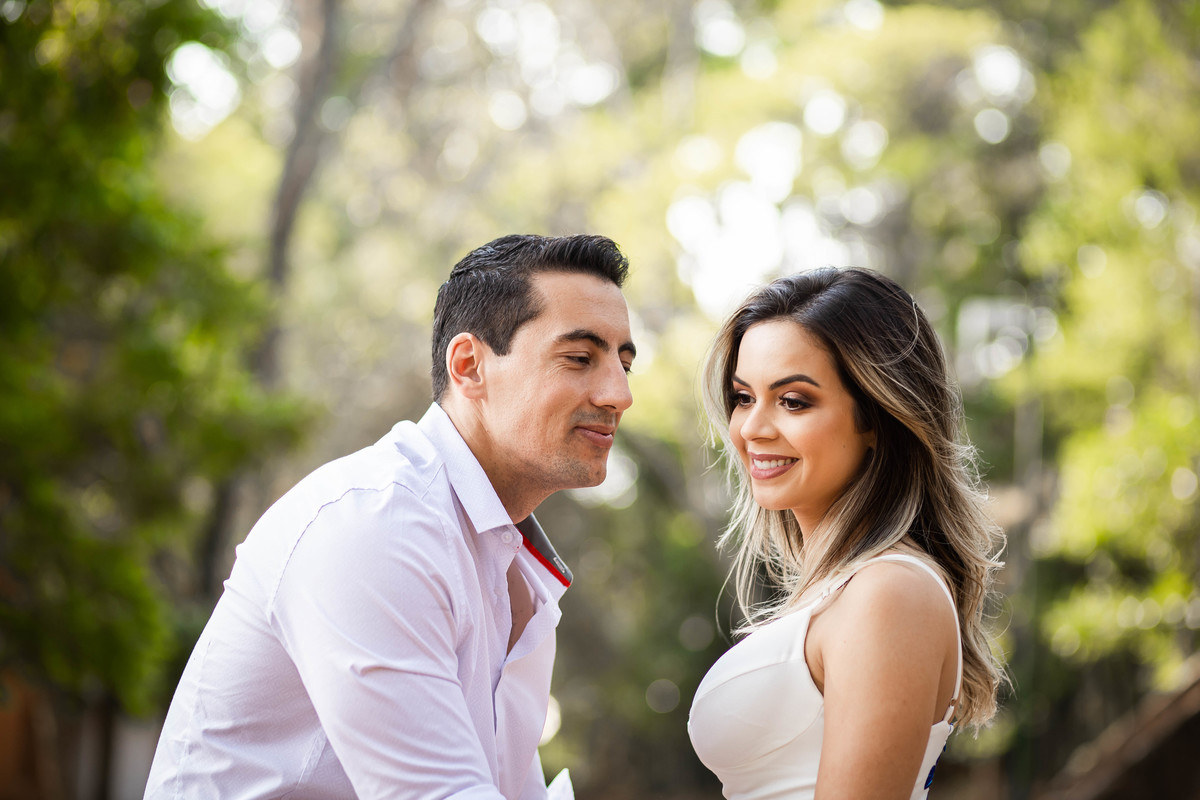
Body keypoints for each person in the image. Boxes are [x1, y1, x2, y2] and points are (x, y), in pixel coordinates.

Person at [145, 234, 636, 799]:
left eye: (624, 364)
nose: (619, 394)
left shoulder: (513, 568)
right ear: (469, 366)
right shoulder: (374, 526)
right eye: (580, 358)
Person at [687, 267, 1005, 800]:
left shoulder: (890, 592)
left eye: (793, 401)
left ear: (877, 418)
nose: (752, 429)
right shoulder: (851, 591)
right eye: (744, 397)